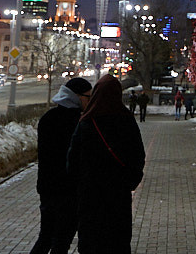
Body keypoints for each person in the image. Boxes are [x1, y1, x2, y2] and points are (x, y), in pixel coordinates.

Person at [68, 74, 145, 254]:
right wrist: (129, 182)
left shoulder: (87, 122)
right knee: (117, 241)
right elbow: (138, 155)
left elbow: (72, 160)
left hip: (90, 196)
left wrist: (78, 186)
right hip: (118, 195)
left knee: (91, 241)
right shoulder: (126, 120)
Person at [30, 76, 92, 254]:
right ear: (77, 97)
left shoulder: (48, 118)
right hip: (67, 192)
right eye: (88, 97)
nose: (90, 101)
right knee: (61, 241)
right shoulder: (77, 122)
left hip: (47, 188)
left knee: (46, 236)